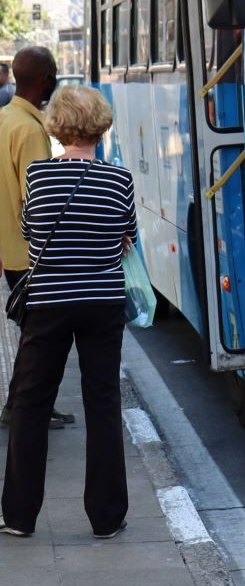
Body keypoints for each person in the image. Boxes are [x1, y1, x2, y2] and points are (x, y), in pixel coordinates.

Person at [0, 85, 137, 540]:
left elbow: (30, 232)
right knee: (103, 401)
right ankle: (107, 517)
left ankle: (19, 515)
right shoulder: (119, 180)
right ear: (100, 126)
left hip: (49, 302)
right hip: (102, 302)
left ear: (57, 127)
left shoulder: (39, 175)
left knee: (30, 402)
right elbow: (127, 237)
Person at [0, 47, 74, 430]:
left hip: (12, 248)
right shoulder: (30, 130)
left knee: (35, 337)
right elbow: (38, 202)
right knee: (42, 340)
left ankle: (26, 405)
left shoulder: (5, 118)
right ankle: (24, 409)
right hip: (30, 252)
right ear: (46, 78)